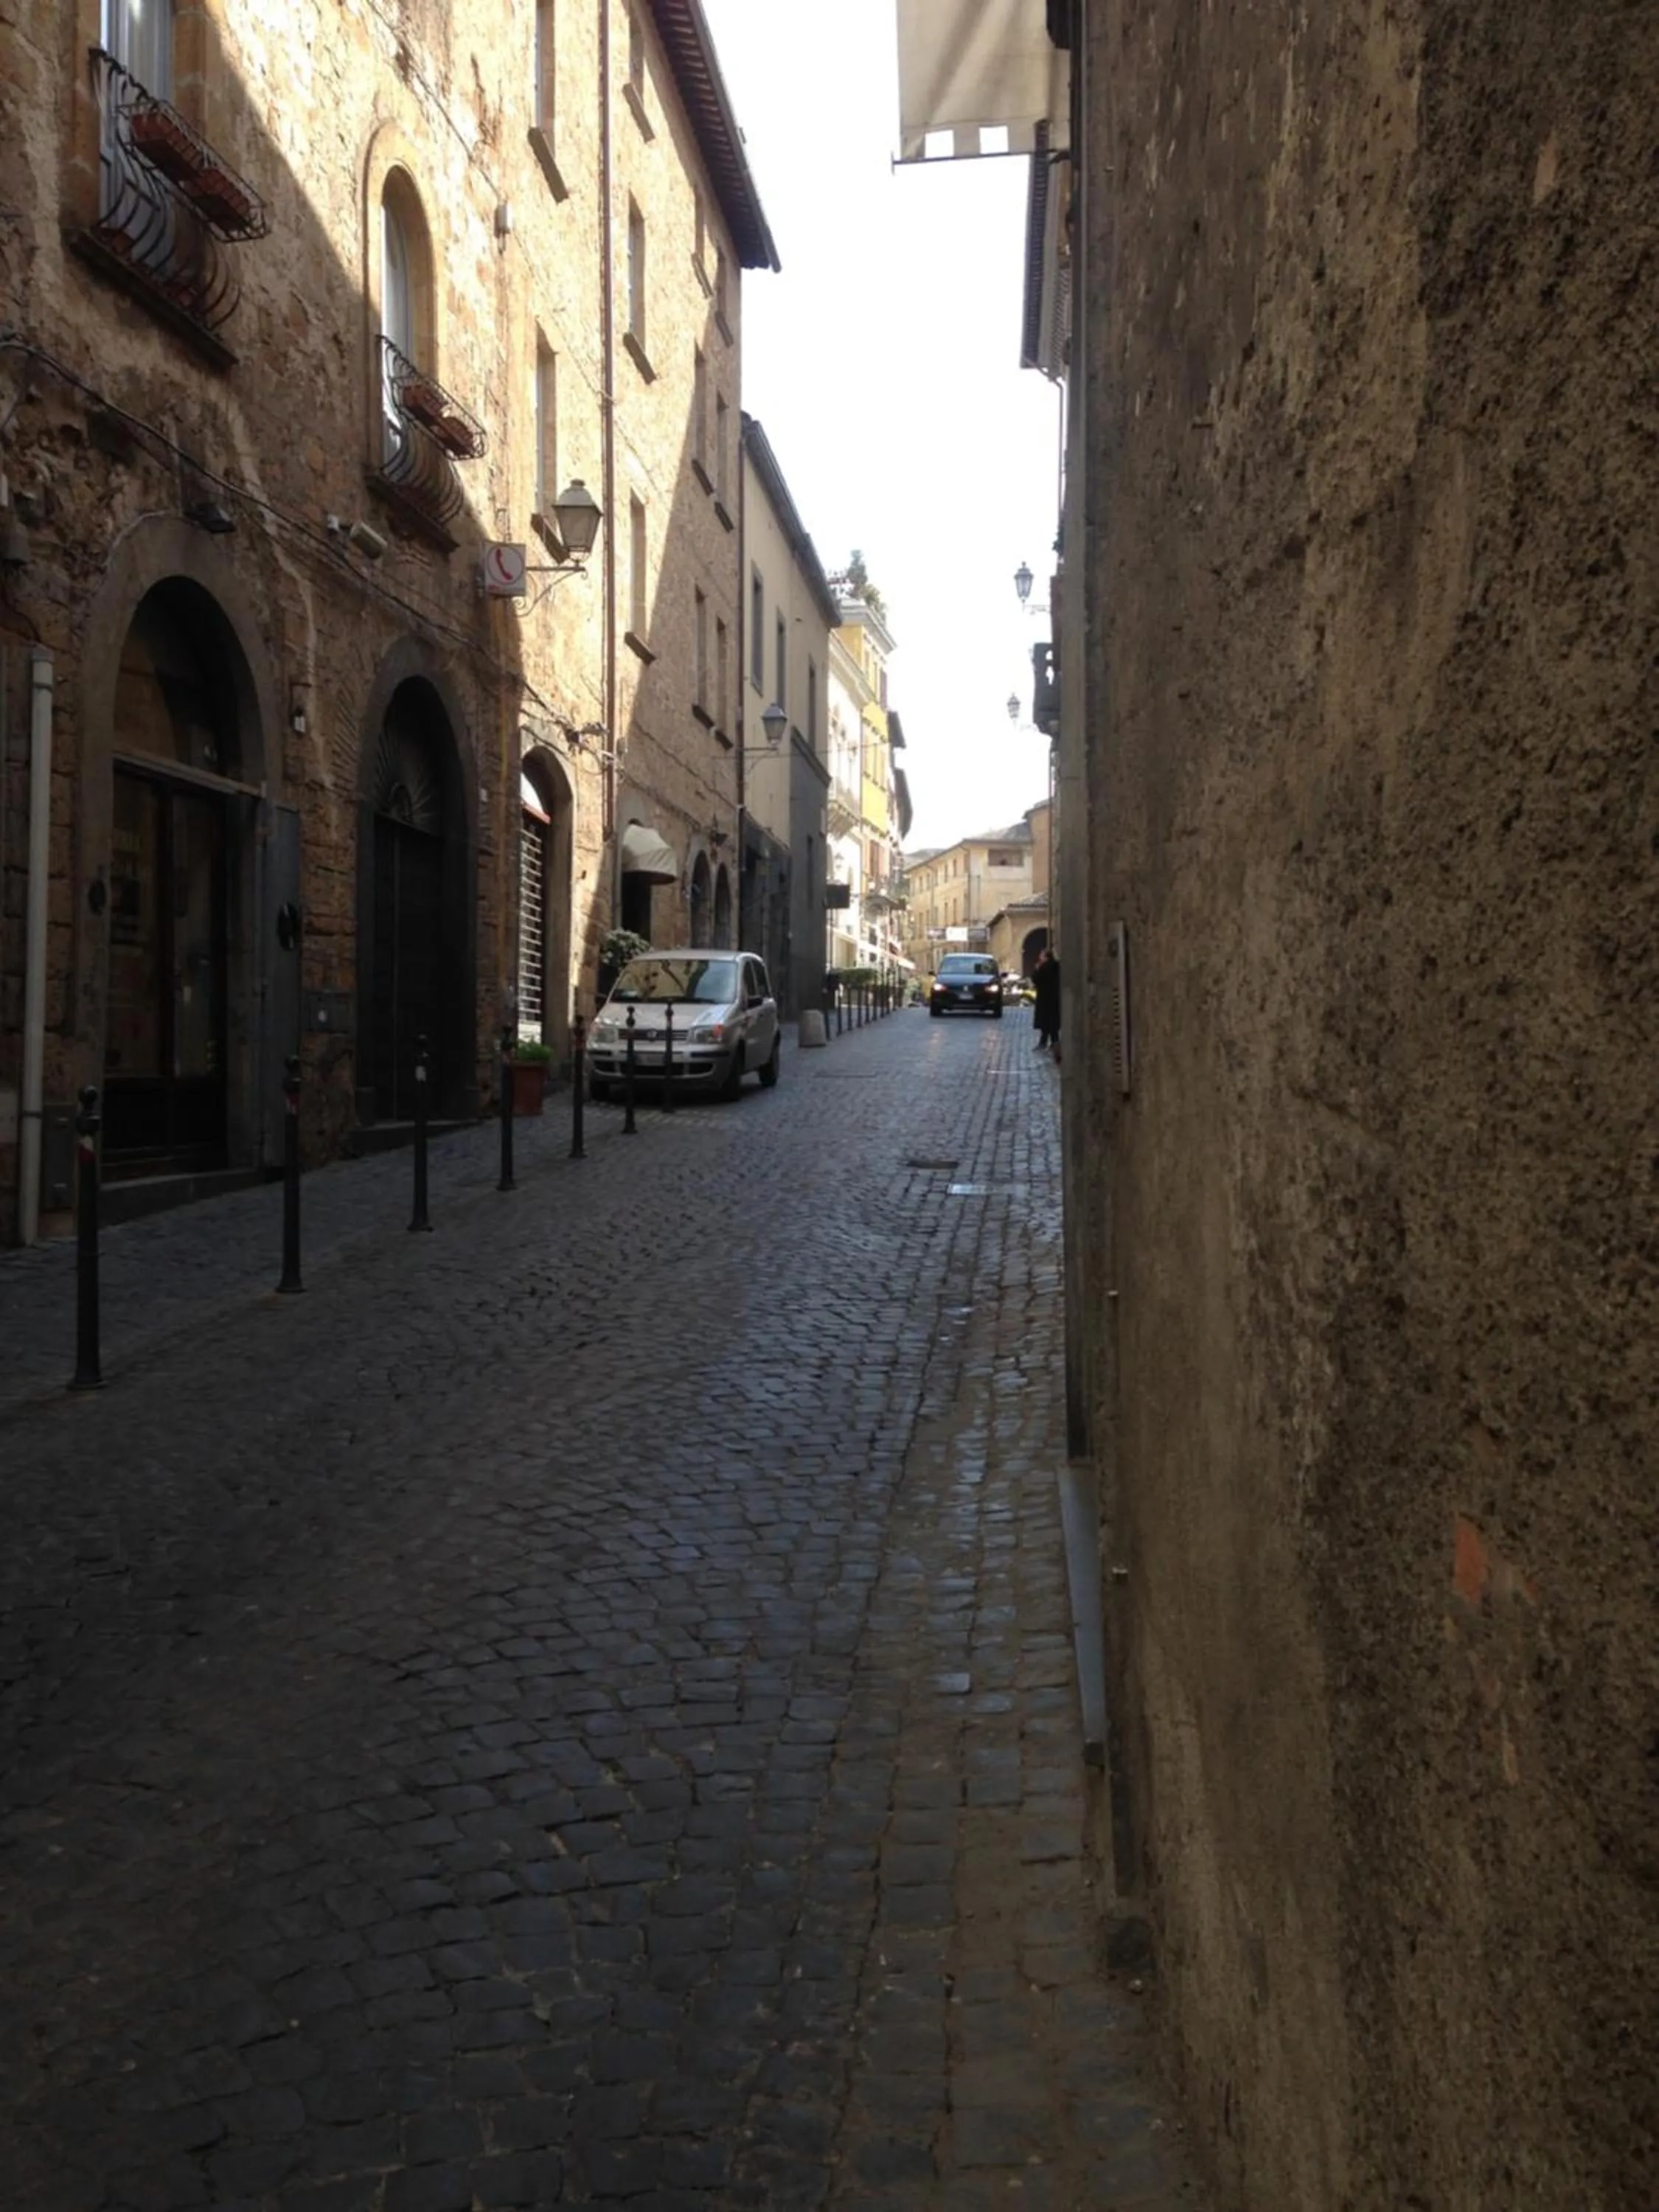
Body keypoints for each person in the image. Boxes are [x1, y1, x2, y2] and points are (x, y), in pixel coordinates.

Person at [1032, 947, 1060, 1053]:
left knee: (1046, 1023)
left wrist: (1036, 969)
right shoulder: (1057, 966)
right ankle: (1054, 1043)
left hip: (1045, 999)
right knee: (1053, 1024)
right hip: (1054, 999)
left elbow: (1036, 980)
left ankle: (1044, 1043)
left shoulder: (1043, 968)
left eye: (1041, 956)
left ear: (1046, 957)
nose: (1040, 957)